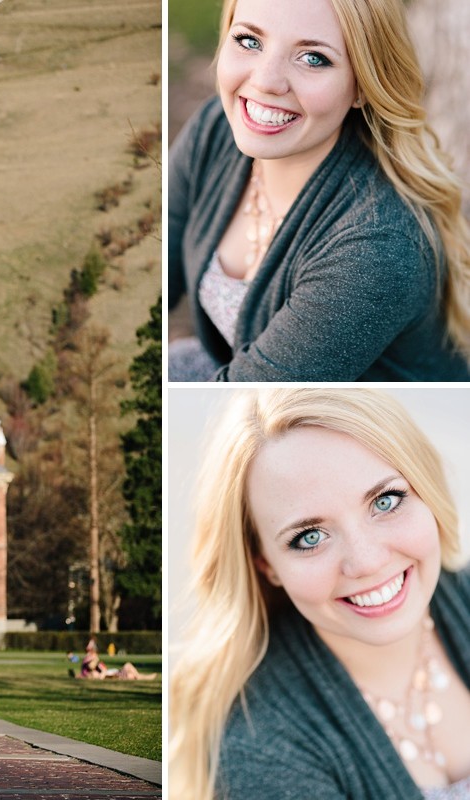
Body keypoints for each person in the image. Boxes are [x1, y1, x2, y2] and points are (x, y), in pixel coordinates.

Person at [168, 388, 470, 800]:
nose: (365, 562)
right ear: (266, 564)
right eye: (310, 536)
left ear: (426, 490)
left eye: (386, 500)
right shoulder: (260, 745)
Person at [168, 0, 470, 381]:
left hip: (350, 429)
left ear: (362, 86)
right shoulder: (214, 130)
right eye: (248, 40)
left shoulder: (377, 246)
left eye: (313, 58)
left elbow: (244, 404)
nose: (265, 81)